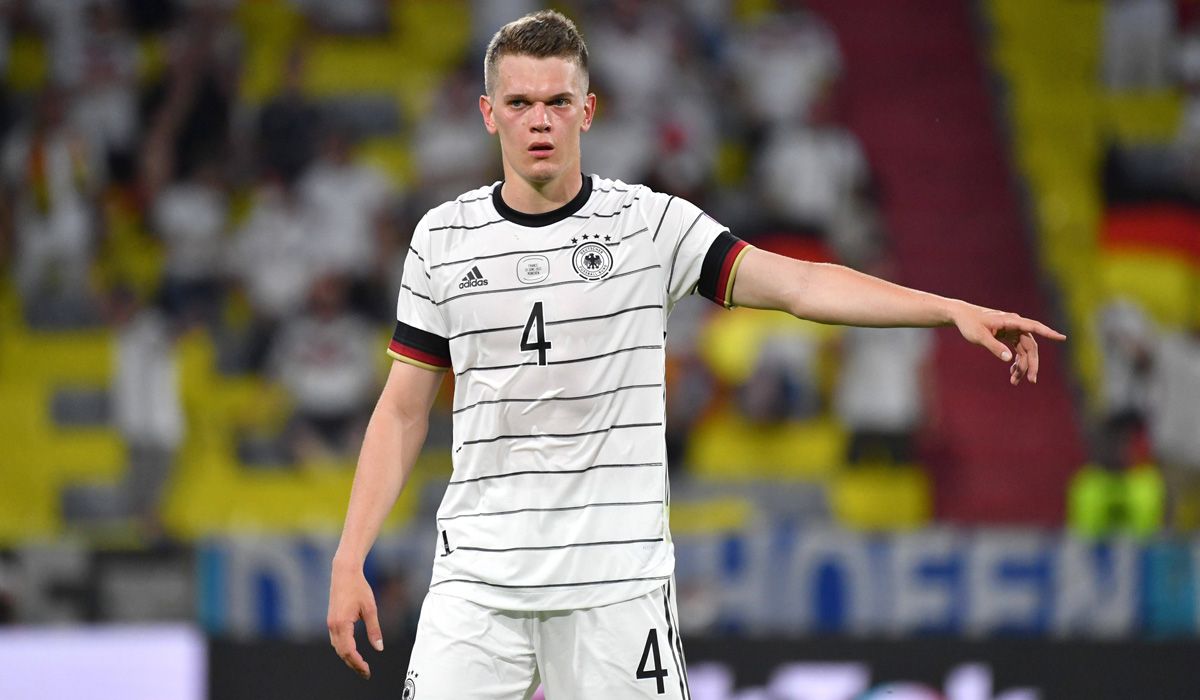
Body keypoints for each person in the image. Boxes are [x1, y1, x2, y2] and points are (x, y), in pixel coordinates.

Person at [327, 11, 1065, 698]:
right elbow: (402, 412)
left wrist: (948, 309)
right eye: (519, 103)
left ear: (588, 110)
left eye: (557, 102)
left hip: (617, 591)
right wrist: (350, 554)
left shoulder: (651, 227)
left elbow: (802, 284)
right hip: (477, 587)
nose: (540, 120)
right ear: (489, 114)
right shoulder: (442, 240)